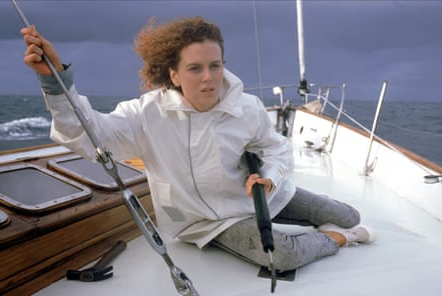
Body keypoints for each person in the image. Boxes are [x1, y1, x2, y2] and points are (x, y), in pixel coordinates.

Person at [21, 17, 375, 272]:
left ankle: (340, 225)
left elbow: (276, 148)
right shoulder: (147, 114)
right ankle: (344, 239)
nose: (209, 77)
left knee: (347, 214)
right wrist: (55, 80)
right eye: (195, 69)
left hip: (261, 195)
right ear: (173, 75)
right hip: (208, 219)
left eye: (215, 65)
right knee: (280, 256)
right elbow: (88, 133)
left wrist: (270, 177)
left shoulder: (247, 107)